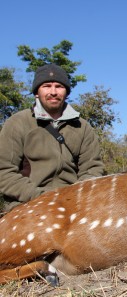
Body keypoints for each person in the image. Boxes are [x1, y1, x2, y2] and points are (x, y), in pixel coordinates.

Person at [0, 64, 104, 212]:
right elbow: (5, 173)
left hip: (74, 203)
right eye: (47, 86)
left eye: (59, 86)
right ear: (37, 92)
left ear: (66, 92)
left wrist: (73, 197)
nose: (53, 92)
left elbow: (93, 168)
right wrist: (43, 197)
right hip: (27, 204)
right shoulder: (17, 123)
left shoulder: (83, 126)